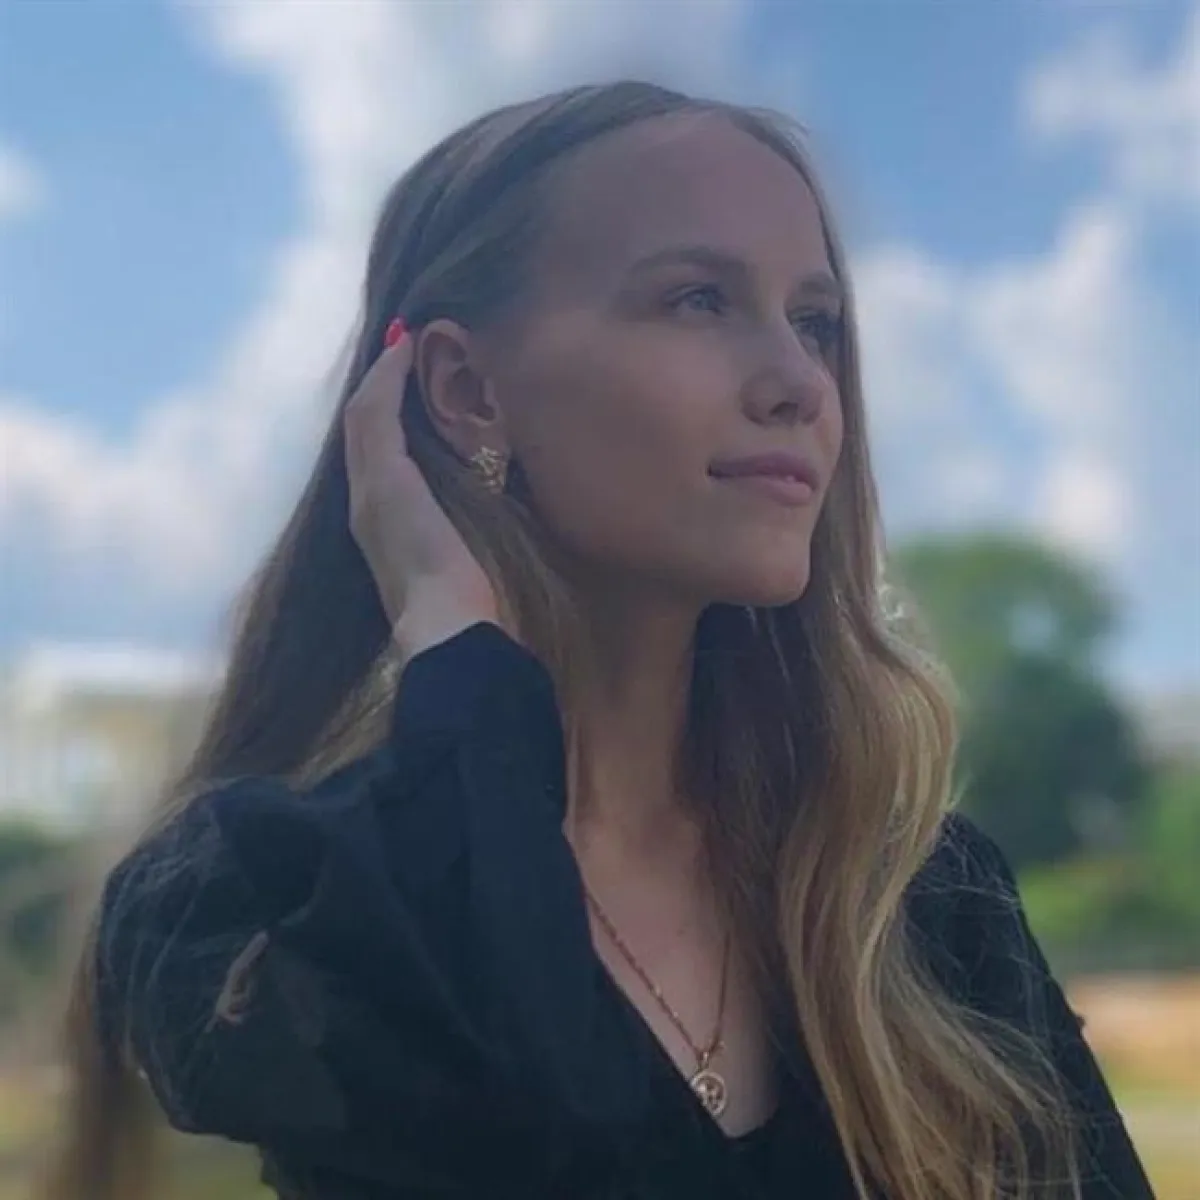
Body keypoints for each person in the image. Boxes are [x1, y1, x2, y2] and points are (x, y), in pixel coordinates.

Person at [41, 82, 1152, 1200]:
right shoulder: (271, 896)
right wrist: (456, 646)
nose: (799, 385)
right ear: (468, 390)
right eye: (698, 299)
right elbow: (519, 1115)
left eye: (814, 323)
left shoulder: (917, 899)